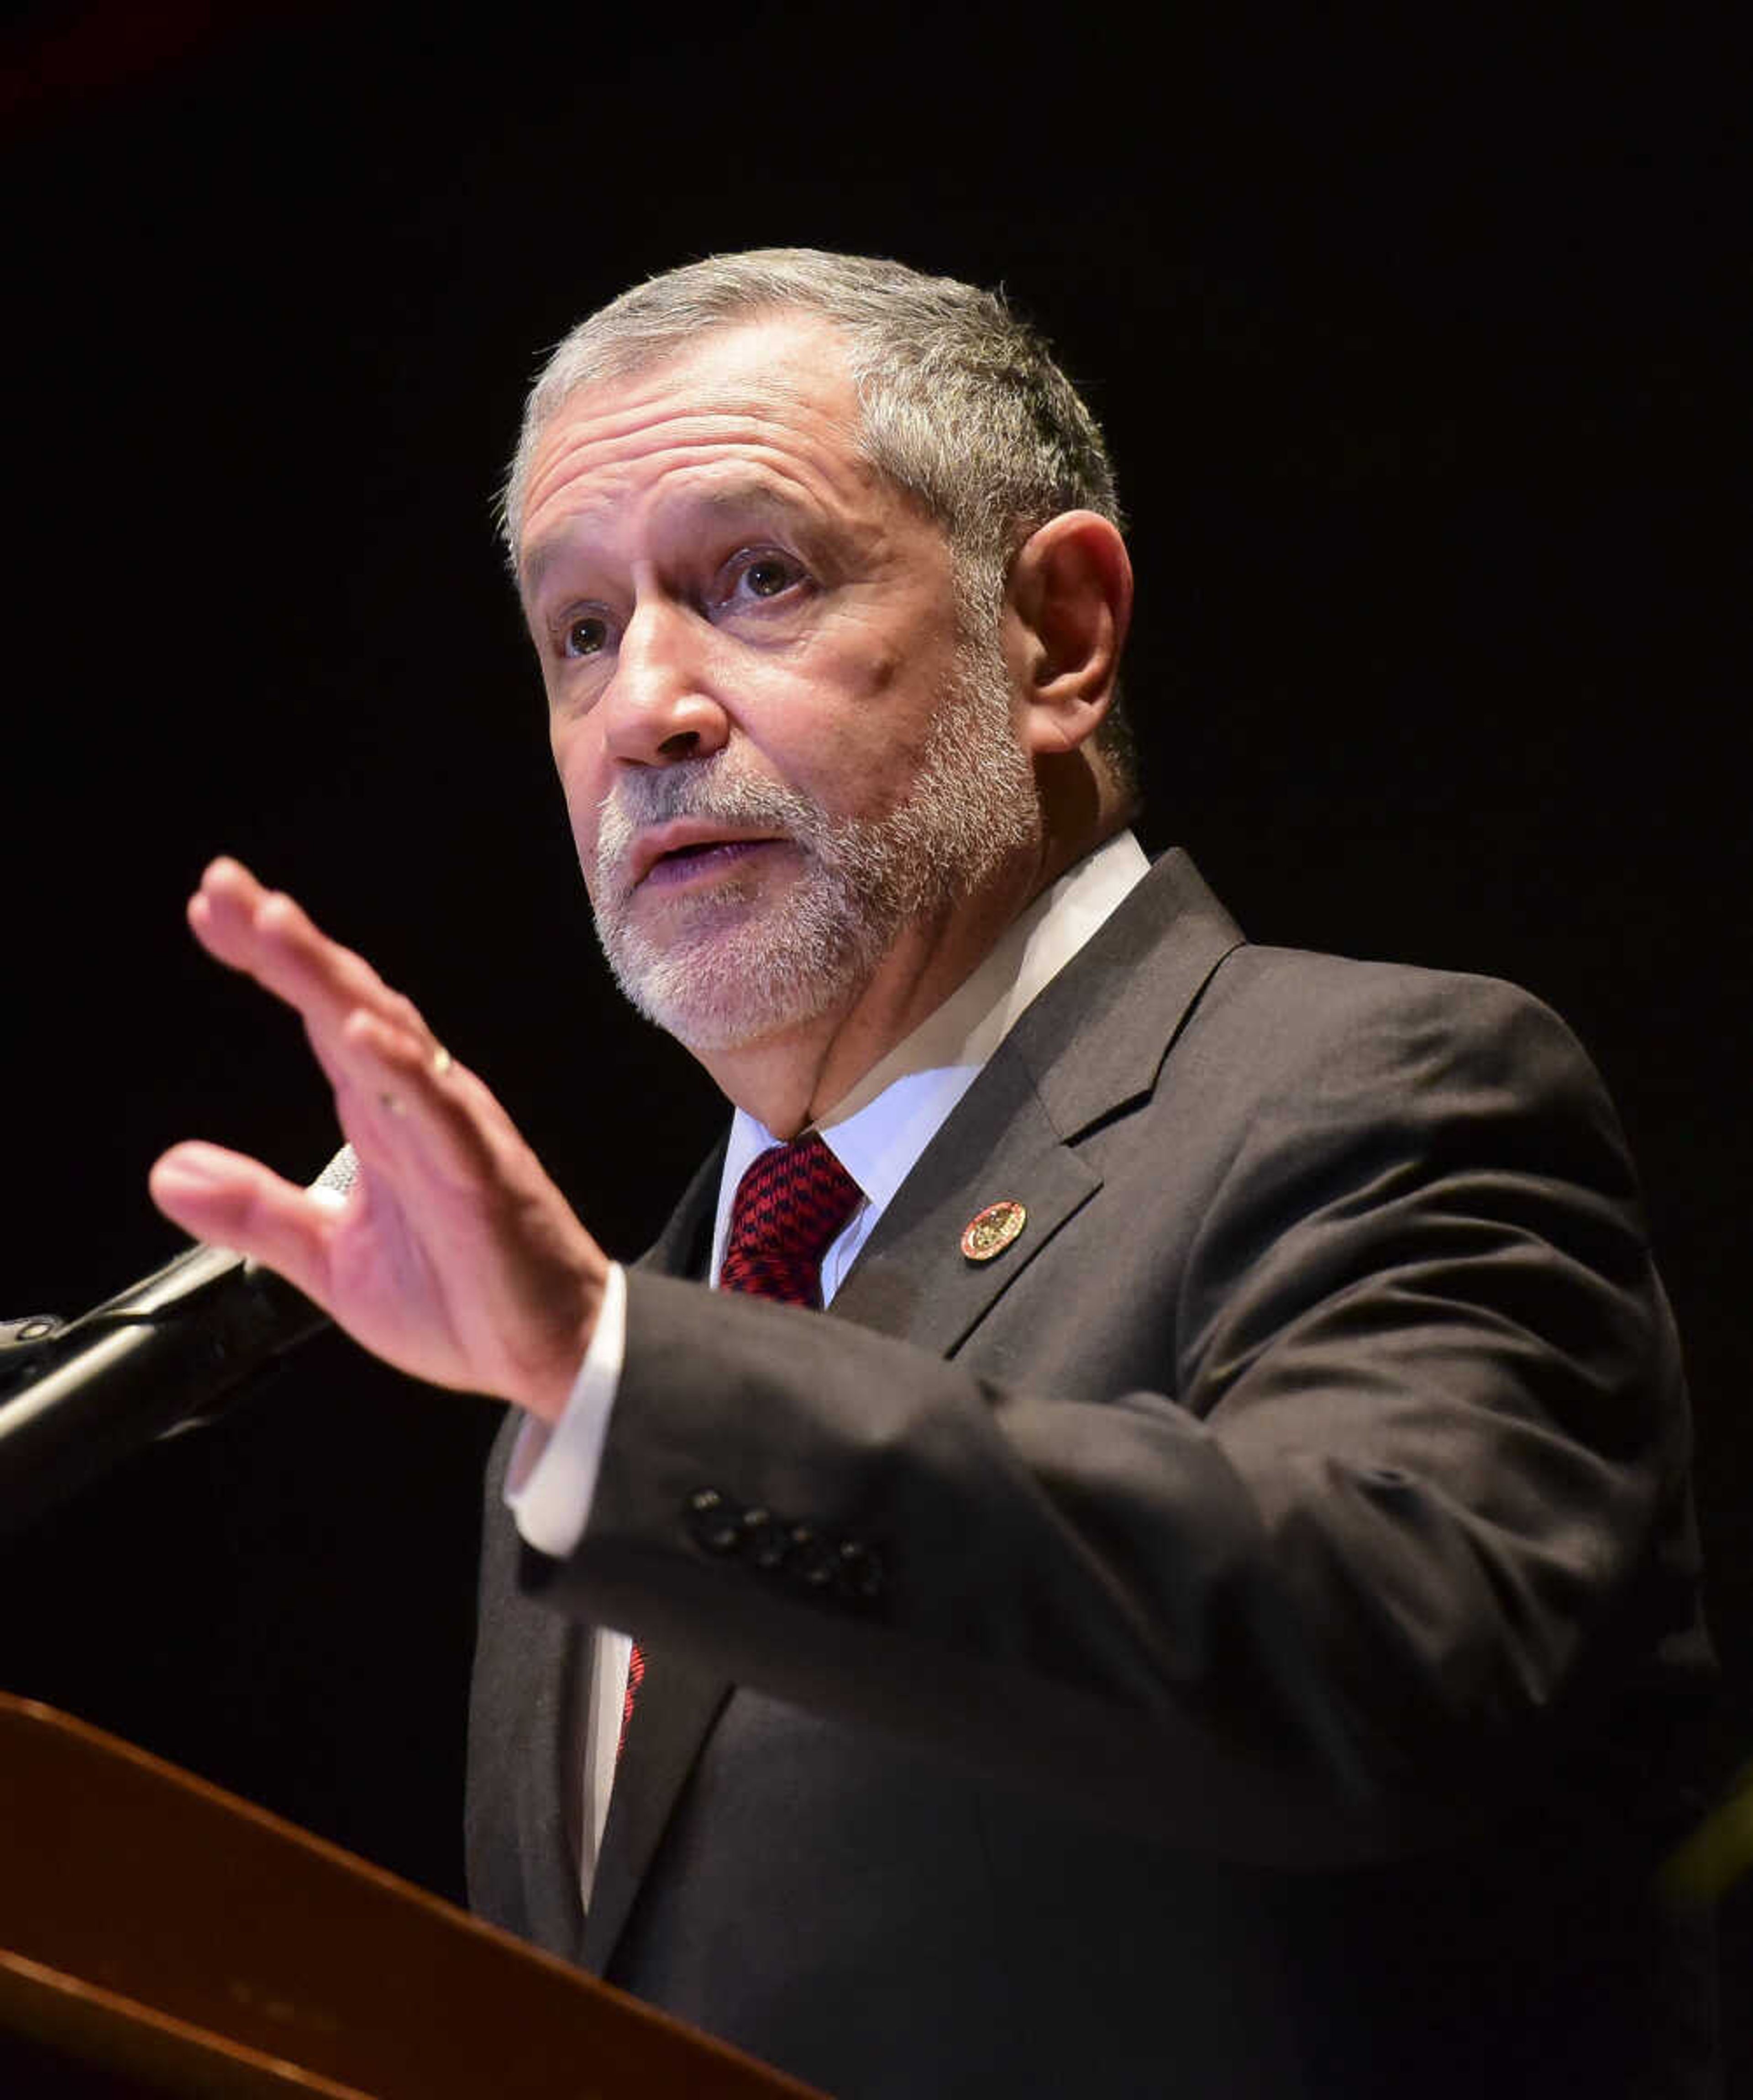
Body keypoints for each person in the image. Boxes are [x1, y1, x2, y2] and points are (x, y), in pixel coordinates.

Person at [151, 251, 1718, 2097]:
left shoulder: (1377, 1094)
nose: (647, 705)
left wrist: (609, 1372)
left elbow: (1378, 1655)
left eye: (756, 578)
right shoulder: (602, 1380)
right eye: (580, 631)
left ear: (1055, 637)